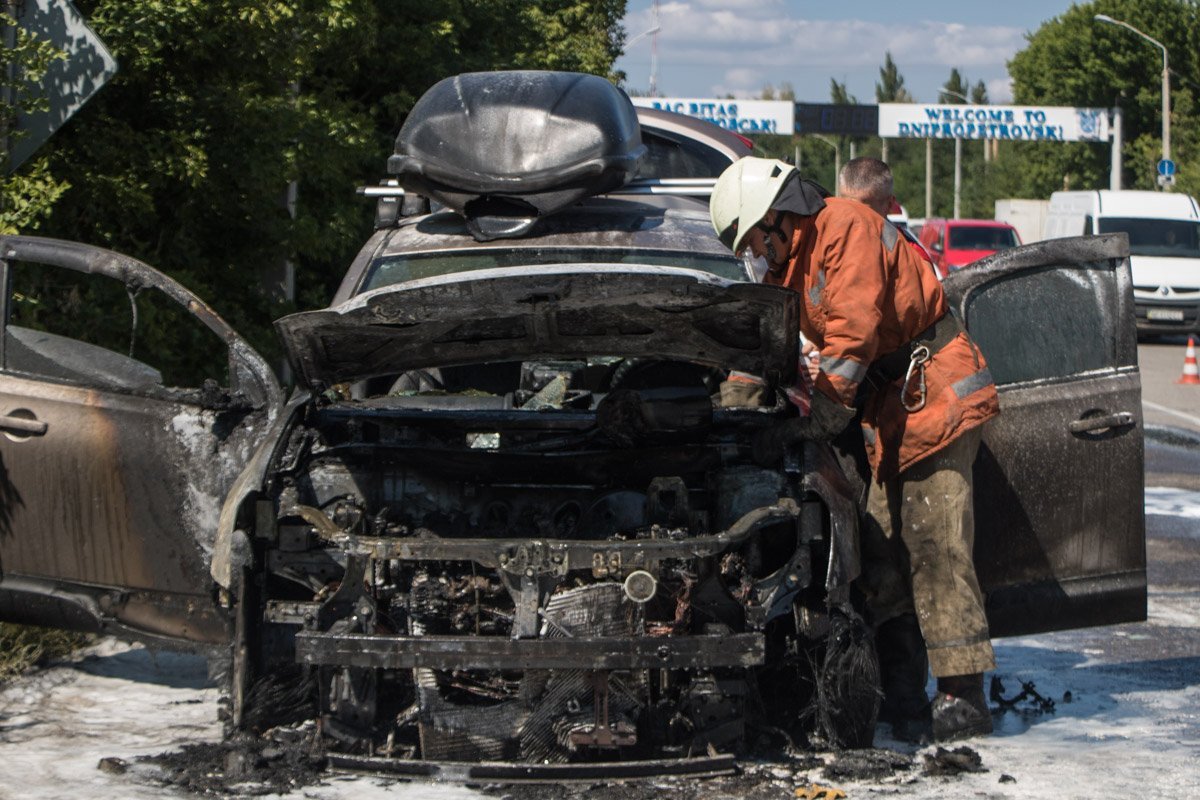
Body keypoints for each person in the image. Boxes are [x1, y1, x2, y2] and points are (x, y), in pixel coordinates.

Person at [709, 157, 1001, 742]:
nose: (756, 256)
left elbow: (852, 338)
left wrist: (811, 422)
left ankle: (963, 698)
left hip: (937, 396)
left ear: (776, 217)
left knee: (934, 544)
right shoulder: (788, 261)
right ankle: (902, 694)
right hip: (891, 410)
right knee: (883, 552)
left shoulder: (845, 227)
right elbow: (761, 341)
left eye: (754, 241)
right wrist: (731, 404)